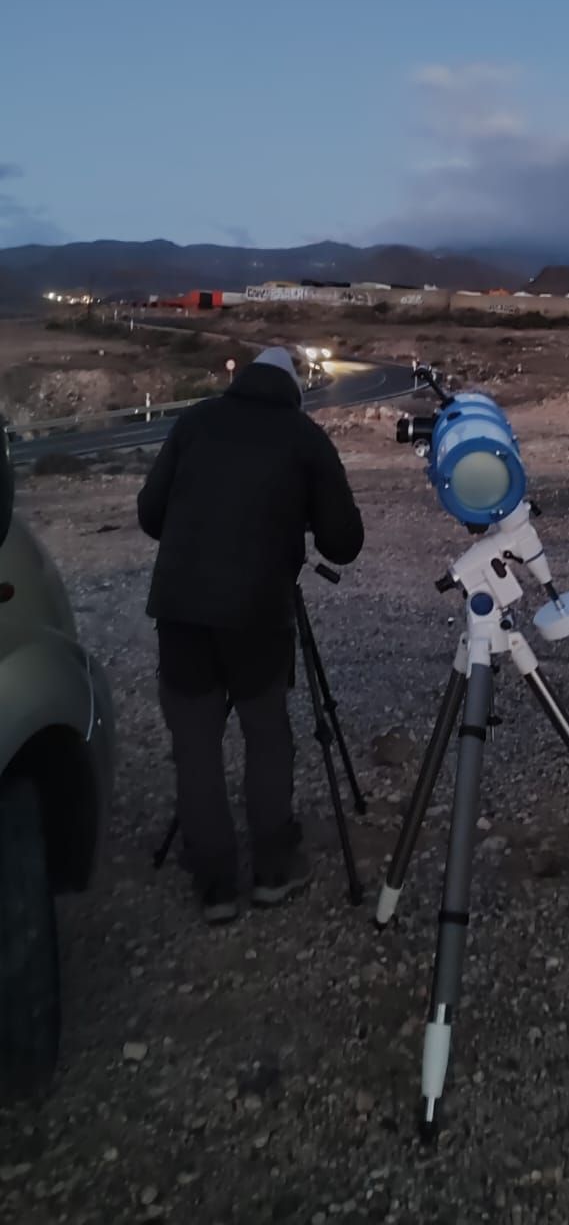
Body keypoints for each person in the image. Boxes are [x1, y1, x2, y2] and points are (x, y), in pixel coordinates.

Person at [137, 346, 364, 925]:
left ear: (242, 380)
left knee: (195, 746)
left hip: (183, 608)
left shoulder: (195, 421)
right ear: (294, 386)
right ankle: (271, 871)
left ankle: (214, 886)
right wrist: (299, 512)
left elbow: (150, 514)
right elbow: (344, 542)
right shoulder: (304, 435)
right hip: (259, 612)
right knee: (267, 738)